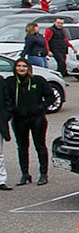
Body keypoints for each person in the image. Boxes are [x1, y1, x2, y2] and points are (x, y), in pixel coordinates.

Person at [2, 57, 55, 185]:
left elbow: (50, 96)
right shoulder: (10, 82)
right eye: (19, 66)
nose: (21, 69)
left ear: (29, 68)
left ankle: (43, 174)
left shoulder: (38, 80)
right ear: (15, 68)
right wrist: (12, 110)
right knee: (22, 147)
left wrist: (41, 107)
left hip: (37, 118)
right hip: (19, 119)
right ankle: (25, 174)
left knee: (40, 146)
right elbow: (6, 98)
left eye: (24, 66)